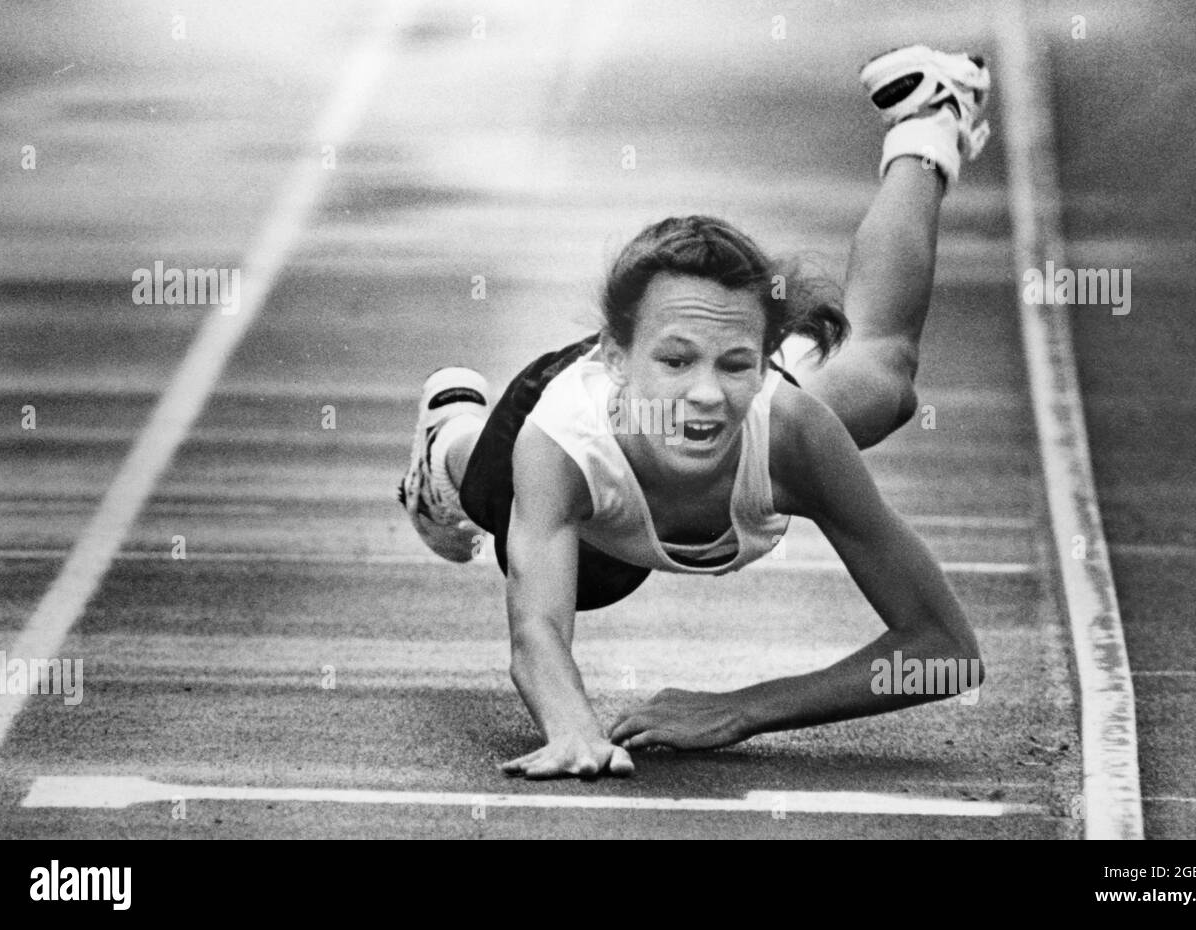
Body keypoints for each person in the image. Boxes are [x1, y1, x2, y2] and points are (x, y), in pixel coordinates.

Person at [398, 45, 992, 779]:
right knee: (567, 558)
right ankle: (448, 433)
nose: (708, 393)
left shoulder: (794, 433)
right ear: (618, 356)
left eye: (738, 364)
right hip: (580, 443)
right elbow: (537, 634)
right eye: (677, 362)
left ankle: (928, 124)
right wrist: (575, 730)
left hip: (709, 398)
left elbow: (947, 656)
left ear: (771, 356)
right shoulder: (563, 440)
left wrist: (744, 708)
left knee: (886, 381)